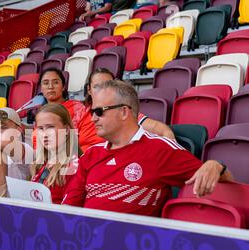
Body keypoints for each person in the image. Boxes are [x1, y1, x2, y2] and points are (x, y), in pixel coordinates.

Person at [62, 80, 233, 216]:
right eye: (92, 112)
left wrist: (215, 165)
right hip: (85, 246)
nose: (93, 119)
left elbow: (218, 179)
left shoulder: (159, 150)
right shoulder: (91, 154)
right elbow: (68, 211)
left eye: (99, 112)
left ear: (123, 112)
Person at [85, 68, 175, 139]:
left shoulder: (123, 112)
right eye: (97, 86)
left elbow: (163, 131)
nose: (102, 90)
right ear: (89, 90)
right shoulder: (79, 112)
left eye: (108, 85)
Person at [37, 68, 104, 152]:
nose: (50, 87)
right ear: (41, 89)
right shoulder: (41, 115)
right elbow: (37, 145)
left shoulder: (79, 109)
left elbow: (91, 142)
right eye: (46, 83)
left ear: (63, 87)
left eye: (56, 82)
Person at [31, 103, 81, 204]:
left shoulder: (74, 166)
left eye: (50, 127)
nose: (45, 134)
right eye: (40, 128)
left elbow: (68, 210)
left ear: (66, 130)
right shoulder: (39, 164)